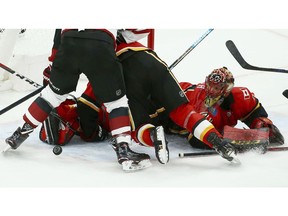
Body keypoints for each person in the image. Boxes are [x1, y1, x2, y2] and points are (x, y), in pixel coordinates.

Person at [41, 29, 240, 164]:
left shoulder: (90, 54)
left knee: (138, 125)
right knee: (183, 109)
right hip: (148, 57)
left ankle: (153, 137)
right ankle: (217, 140)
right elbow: (138, 30)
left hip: (120, 69)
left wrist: (94, 134)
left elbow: (85, 104)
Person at [5, 29, 151, 172]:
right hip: (100, 43)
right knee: (116, 103)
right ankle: (123, 150)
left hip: (69, 41)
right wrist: (121, 37)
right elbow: (141, 29)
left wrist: (53, 67)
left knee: (51, 95)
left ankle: (18, 135)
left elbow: (58, 36)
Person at [165, 67, 285, 151]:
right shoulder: (202, 106)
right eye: (209, 85)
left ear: (227, 89)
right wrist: (237, 140)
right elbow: (196, 138)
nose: (211, 91)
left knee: (270, 133)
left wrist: (260, 123)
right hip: (165, 109)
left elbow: (254, 111)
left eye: (217, 87)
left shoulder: (241, 95)